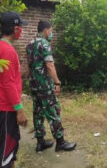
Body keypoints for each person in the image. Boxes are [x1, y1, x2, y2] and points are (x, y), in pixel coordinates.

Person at [26, 20, 76, 152]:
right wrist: (57, 82)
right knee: (53, 111)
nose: (51, 33)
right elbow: (49, 65)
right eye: (51, 31)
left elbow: (30, 66)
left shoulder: (30, 44)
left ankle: (40, 142)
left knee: (37, 113)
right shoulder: (45, 44)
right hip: (44, 85)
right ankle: (60, 142)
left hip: (34, 85)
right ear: (46, 30)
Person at [0, 12, 28, 168]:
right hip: (6, 109)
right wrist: (19, 109)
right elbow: (8, 83)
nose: (21, 31)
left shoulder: (2, 47)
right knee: (8, 150)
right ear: (16, 29)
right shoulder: (8, 51)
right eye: (20, 28)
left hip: (3, 107)